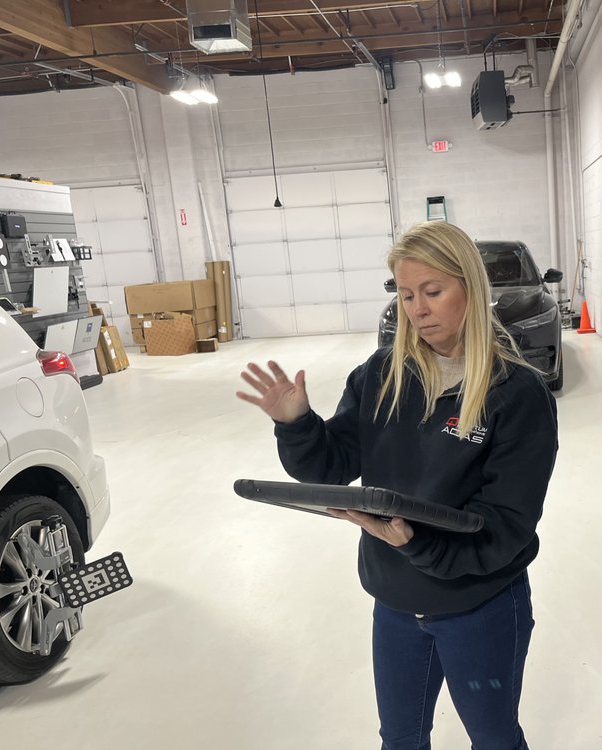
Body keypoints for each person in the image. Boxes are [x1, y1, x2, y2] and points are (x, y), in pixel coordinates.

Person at [236, 220, 558, 750]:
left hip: (478, 604)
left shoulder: (516, 394)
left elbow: (509, 524)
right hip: (395, 601)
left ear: (470, 290)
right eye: (406, 295)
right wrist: (296, 424)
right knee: (401, 739)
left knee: (495, 739)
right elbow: (332, 465)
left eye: (432, 292)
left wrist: (418, 542)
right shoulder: (381, 373)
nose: (417, 309)